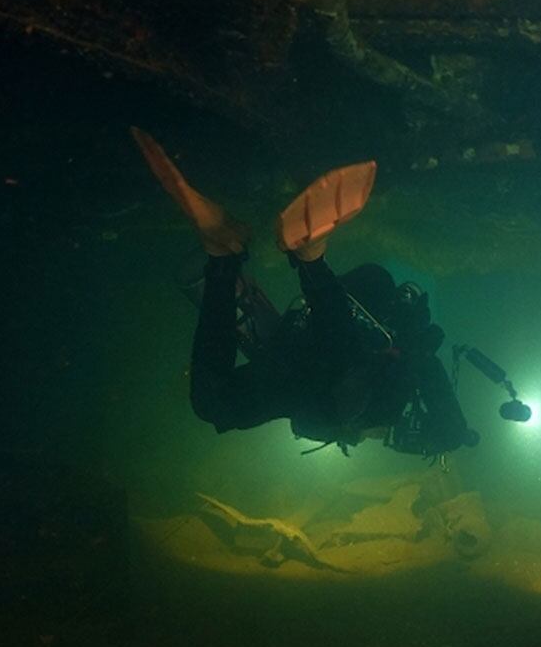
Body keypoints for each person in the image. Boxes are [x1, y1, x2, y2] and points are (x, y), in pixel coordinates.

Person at [132, 128, 477, 459]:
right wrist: (401, 431)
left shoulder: (371, 389)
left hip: (299, 372)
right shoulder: (399, 368)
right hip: (320, 372)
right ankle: (309, 258)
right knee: (340, 366)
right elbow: (448, 426)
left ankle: (222, 253)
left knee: (214, 404)